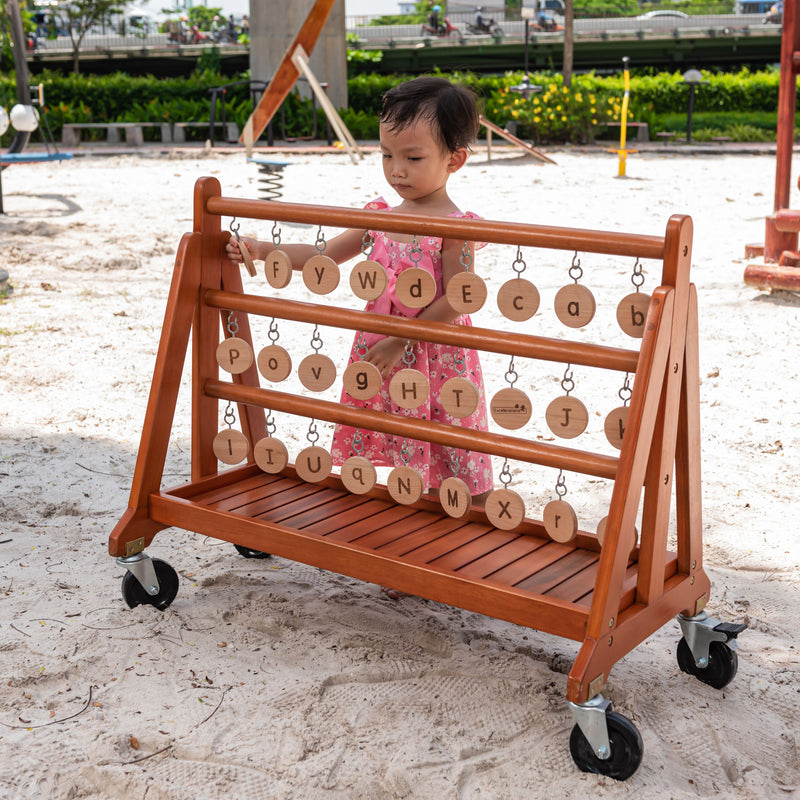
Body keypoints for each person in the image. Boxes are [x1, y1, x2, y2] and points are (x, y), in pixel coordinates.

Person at [225, 76, 494, 505]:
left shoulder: (455, 228)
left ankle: (478, 531)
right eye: (386, 155)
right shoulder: (380, 217)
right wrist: (264, 249)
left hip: (436, 354)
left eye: (413, 157)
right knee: (397, 446)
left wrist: (398, 343)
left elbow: (458, 297)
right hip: (379, 351)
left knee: (453, 447)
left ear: (455, 159)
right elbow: (323, 256)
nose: (396, 170)